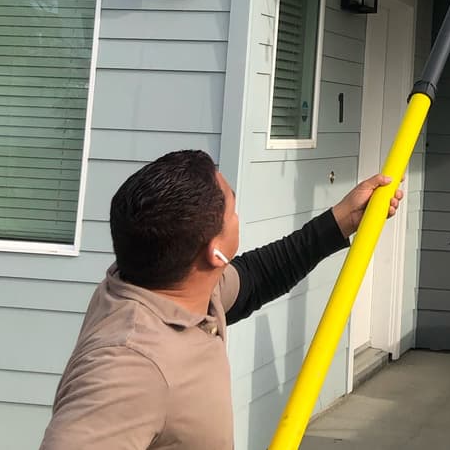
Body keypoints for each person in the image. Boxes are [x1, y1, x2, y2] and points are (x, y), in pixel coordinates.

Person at [39, 149, 402, 449]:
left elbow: (256, 278)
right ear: (215, 253)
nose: (238, 217)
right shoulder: (130, 364)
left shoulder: (165, 281)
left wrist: (342, 219)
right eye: (233, 211)